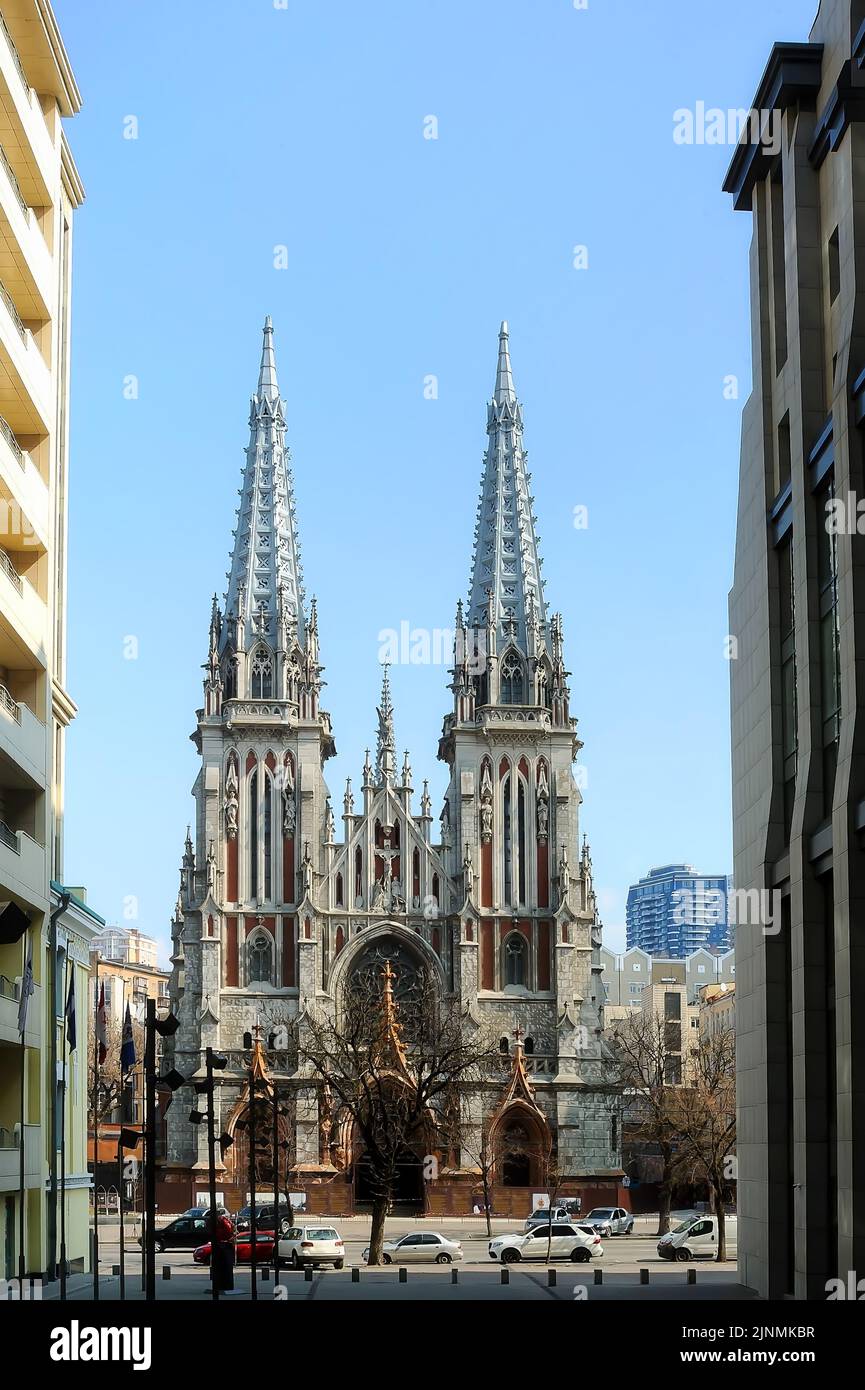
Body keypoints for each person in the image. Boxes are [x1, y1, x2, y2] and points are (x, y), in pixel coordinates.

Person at [208, 1209, 236, 1295]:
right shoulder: (217, 1221)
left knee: (225, 1266)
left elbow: (228, 1231)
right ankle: (221, 1285)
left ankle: (226, 1285)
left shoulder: (223, 1221)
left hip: (224, 1245)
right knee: (219, 1266)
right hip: (220, 1245)